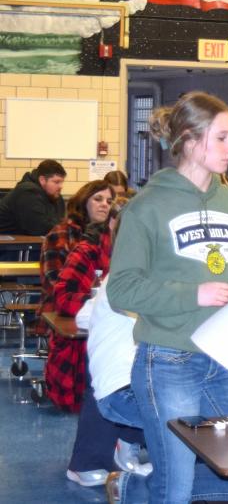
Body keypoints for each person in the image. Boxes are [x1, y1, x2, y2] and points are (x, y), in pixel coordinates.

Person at [106, 91, 228, 503]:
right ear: (190, 140)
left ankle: (135, 487)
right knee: (175, 488)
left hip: (223, 357)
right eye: (223, 138)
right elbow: (121, 289)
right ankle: (156, 488)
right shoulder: (146, 207)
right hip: (167, 360)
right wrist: (192, 292)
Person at [56, 199, 149, 488]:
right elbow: (78, 310)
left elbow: (86, 316)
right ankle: (97, 456)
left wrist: (103, 320)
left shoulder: (127, 268)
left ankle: (126, 443)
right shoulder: (114, 266)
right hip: (122, 370)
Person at [39, 181, 115, 323]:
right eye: (98, 199)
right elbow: (52, 281)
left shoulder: (110, 237)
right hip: (60, 311)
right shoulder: (61, 233)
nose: (105, 204)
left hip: (100, 310)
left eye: (109, 202)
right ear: (83, 202)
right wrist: (93, 300)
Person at [0, 158, 67, 236]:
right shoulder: (27, 192)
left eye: (62, 182)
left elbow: (59, 225)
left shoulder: (55, 196)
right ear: (42, 180)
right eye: (56, 182)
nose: (61, 186)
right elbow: (39, 229)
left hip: (22, 242)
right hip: (6, 244)